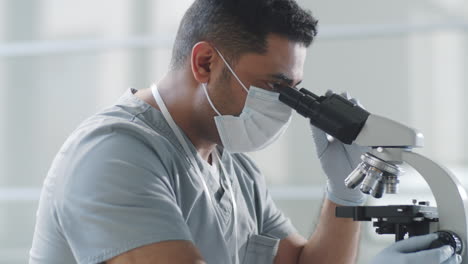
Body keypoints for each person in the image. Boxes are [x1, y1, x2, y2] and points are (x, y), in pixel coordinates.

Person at [29, 0, 461, 263]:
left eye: (293, 91)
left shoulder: (234, 170)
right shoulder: (114, 154)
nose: (284, 105)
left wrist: (343, 194)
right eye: (275, 87)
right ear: (205, 63)